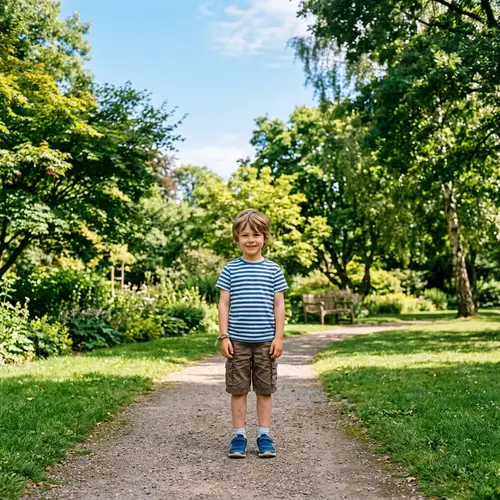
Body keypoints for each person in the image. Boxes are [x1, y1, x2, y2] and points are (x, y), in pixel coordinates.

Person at [215, 208, 288, 459]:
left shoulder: (273, 270)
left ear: (265, 238)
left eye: (256, 234)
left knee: (265, 390)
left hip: (266, 341)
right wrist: (224, 336)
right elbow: (223, 303)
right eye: (245, 234)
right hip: (237, 341)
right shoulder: (231, 269)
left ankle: (264, 435)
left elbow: (279, 304)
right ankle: (239, 435)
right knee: (238, 389)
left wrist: (278, 337)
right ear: (237, 238)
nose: (251, 239)